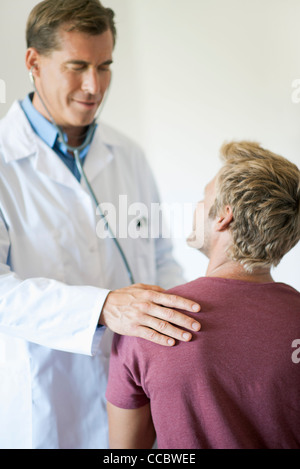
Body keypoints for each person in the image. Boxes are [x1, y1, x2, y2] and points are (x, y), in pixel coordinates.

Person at [0, 0, 202, 449]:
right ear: (33, 62)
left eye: (105, 66)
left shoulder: (126, 153)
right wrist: (102, 307)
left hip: (135, 398)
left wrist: (186, 322)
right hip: (47, 401)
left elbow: (161, 258)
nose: (94, 86)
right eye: (77, 66)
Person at [106, 141, 300, 449]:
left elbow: (125, 454)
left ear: (224, 217)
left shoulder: (149, 323)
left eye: (203, 197)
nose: (197, 206)